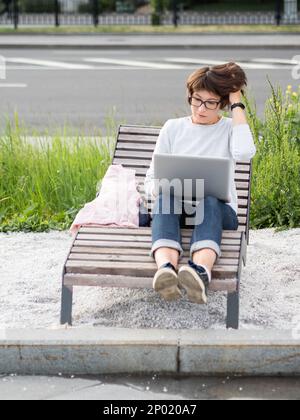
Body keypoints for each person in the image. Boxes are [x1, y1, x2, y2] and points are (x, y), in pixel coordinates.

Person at [144, 62, 256, 304]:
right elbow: (149, 179)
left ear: (222, 104)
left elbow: (245, 153)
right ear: (189, 96)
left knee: (209, 199)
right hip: (178, 209)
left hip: (219, 211)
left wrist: (236, 99)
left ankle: (200, 273)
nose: (201, 108)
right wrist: (162, 187)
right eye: (196, 100)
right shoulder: (172, 128)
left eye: (211, 102)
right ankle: (166, 270)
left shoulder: (229, 128)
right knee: (165, 199)